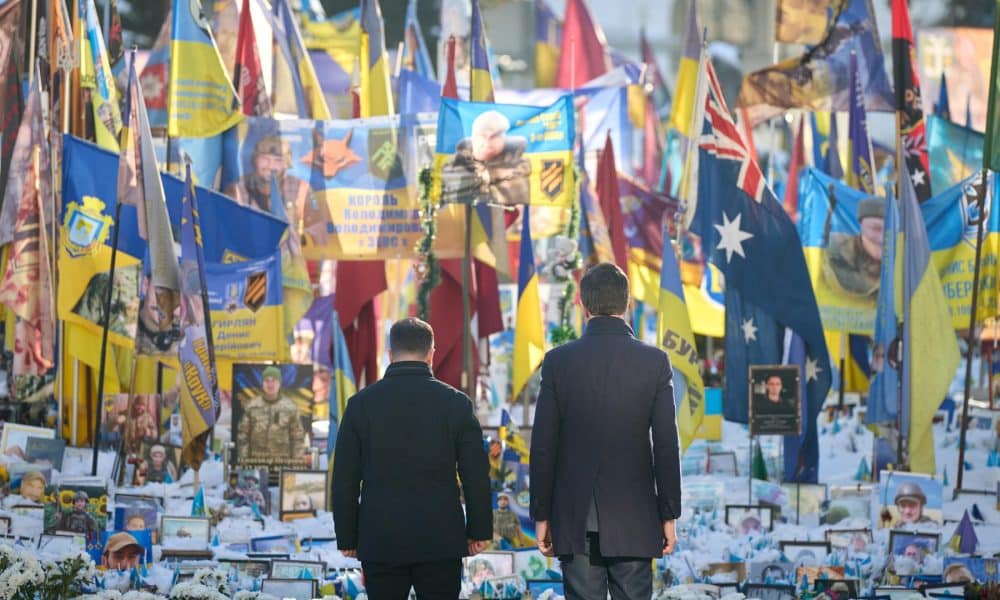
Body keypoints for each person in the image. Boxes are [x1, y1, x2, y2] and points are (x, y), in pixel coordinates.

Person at [530, 263, 681, 599]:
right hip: (635, 516)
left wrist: (541, 512)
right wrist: (669, 513)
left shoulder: (558, 362)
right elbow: (667, 446)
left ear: (583, 304)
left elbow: (543, 445)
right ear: (627, 304)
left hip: (574, 517)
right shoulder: (654, 362)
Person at [332, 317, 492, 599]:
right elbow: (475, 474)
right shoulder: (456, 404)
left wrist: (347, 536)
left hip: (381, 537)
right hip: (440, 538)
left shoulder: (360, 405)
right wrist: (479, 530)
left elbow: (345, 478)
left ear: (390, 354)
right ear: (432, 353)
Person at [440, 110, 531, 205]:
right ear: (473, 138)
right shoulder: (454, 166)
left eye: (494, 136)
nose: (487, 142)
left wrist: (487, 176)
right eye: (481, 135)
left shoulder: (519, 167)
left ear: (504, 139)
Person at [237, 366, 307, 467]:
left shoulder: (290, 407)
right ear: (262, 384)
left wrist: (296, 465)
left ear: (279, 383)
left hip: (283, 465)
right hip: (257, 464)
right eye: (267, 381)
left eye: (274, 380)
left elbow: (297, 437)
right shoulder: (252, 406)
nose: (270, 384)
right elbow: (243, 436)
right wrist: (244, 462)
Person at [823, 196, 885, 300]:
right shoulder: (833, 254)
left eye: (890, 230)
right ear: (861, 227)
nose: (882, 238)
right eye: (876, 228)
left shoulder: (908, 263)